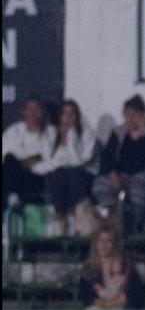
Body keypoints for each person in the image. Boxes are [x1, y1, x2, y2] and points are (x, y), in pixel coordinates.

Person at [92, 95, 145, 234]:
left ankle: (134, 226)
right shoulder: (119, 133)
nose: (130, 119)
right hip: (121, 173)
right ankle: (114, 219)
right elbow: (107, 157)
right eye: (127, 114)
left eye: (134, 114)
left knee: (139, 189)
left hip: (143, 172)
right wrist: (112, 172)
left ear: (143, 115)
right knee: (100, 185)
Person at [37, 99, 99, 235]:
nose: (68, 118)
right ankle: (61, 220)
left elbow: (79, 161)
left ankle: (73, 220)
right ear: (60, 116)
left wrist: (71, 138)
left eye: (72, 114)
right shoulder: (51, 135)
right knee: (59, 175)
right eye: (65, 114)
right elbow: (48, 161)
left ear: (77, 117)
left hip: (81, 174)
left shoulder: (87, 135)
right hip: (57, 176)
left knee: (72, 173)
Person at [2, 97, 56, 211]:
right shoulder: (14, 131)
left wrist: (31, 160)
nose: (33, 112)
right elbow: (7, 155)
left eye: (37, 108)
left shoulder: (51, 132)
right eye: (29, 108)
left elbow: (49, 157)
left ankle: (12, 197)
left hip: (39, 177)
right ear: (24, 112)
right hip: (15, 174)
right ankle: (11, 200)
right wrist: (33, 159)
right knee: (9, 161)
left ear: (42, 112)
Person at [79, 227, 143, 310]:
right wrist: (103, 304)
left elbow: (135, 295)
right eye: (100, 241)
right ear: (96, 244)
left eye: (109, 241)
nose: (104, 245)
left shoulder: (126, 266)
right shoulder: (88, 268)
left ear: (114, 244)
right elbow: (86, 297)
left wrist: (112, 303)